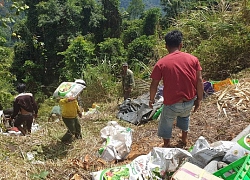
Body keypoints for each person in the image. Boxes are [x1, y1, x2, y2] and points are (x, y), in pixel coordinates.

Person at [149, 30, 204, 148]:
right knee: (185, 117)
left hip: (172, 104)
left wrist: (151, 99)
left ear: (166, 46)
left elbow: (154, 84)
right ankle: (184, 140)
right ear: (181, 45)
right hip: (189, 101)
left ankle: (167, 144)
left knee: (166, 122)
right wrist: (199, 99)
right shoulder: (193, 59)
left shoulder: (161, 63)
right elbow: (199, 80)